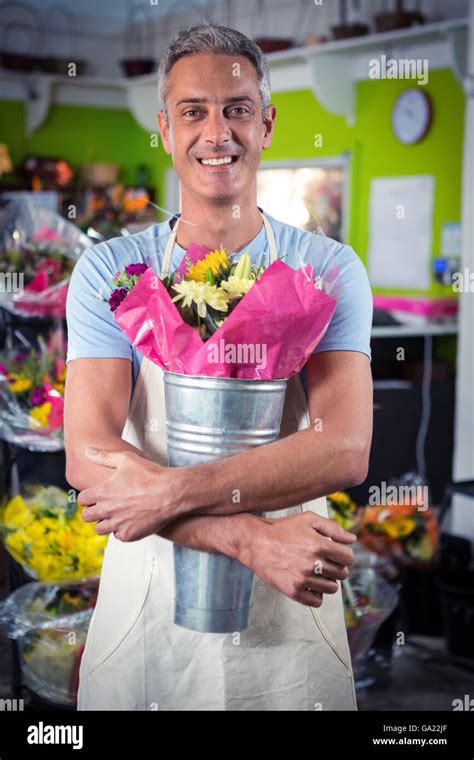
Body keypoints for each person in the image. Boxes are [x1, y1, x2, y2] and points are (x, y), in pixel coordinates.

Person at [65, 23, 373, 711]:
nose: (217, 132)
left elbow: (345, 447)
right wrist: (249, 539)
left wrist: (166, 493)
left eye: (237, 110)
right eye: (193, 111)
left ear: (266, 124)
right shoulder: (112, 270)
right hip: (152, 592)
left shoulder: (327, 268)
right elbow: (88, 456)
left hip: (290, 597)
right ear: (165, 129)